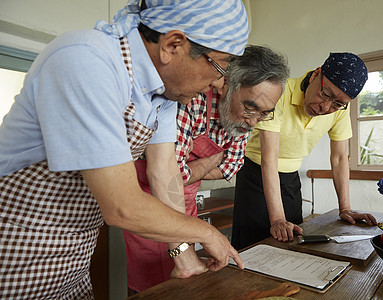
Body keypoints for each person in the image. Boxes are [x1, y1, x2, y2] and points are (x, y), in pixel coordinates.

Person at [0, 0, 249, 298]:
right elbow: (122, 206)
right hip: (16, 247)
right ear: (173, 45)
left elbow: (164, 173)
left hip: (75, 257)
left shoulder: (164, 93)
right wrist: (205, 232)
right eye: (220, 66)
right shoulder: (87, 60)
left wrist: (183, 253)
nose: (220, 82)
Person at [124, 45, 290, 292]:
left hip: (186, 204)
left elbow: (231, 167)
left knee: (188, 282)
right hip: (148, 201)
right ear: (225, 84)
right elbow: (170, 173)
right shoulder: (190, 100)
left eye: (265, 113)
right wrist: (211, 161)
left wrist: (190, 171)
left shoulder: (244, 121)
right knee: (153, 286)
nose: (254, 121)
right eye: (250, 108)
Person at [232, 52, 378, 250]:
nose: (325, 107)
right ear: (317, 75)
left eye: (337, 104)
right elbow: (269, 157)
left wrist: (345, 208)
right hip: (256, 174)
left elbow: (340, 158)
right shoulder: (280, 92)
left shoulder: (341, 110)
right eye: (326, 95)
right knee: (254, 246)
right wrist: (277, 219)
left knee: (293, 242)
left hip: (291, 179)